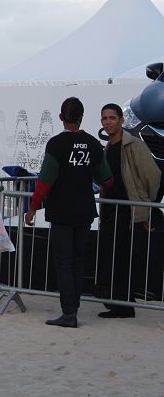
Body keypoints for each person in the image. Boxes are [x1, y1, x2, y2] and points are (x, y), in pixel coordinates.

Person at [24, 97, 113, 328]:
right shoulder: (93, 144)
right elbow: (107, 179)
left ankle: (69, 312)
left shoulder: (56, 144)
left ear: (61, 117)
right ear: (82, 117)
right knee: (78, 260)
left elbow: (45, 181)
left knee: (64, 262)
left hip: (62, 211)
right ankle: (74, 308)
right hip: (85, 210)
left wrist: (33, 207)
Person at [96, 103, 161, 318]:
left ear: (121, 120)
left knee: (123, 257)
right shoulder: (108, 146)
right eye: (104, 118)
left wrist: (145, 204)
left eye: (112, 118)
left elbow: (152, 176)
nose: (108, 122)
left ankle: (123, 305)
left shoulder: (134, 145)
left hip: (127, 210)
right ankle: (120, 302)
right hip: (111, 209)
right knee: (113, 255)